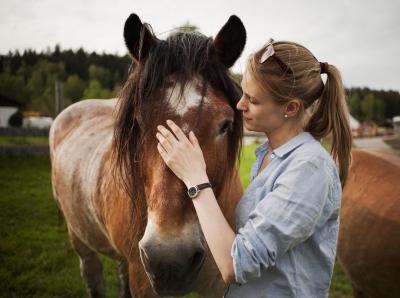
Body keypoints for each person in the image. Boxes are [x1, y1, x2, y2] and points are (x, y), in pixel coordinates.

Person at [155, 38, 352, 298]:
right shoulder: (269, 156)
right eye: (243, 94)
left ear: (290, 108)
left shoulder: (309, 169)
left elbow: (233, 265)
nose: (240, 106)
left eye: (253, 100)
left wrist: (195, 178)